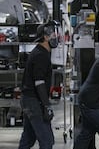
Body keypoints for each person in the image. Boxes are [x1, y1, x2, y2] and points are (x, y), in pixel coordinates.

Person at [18, 20, 60, 149]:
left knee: (28, 139)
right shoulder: (41, 55)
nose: (56, 37)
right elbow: (39, 83)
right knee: (47, 141)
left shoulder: (41, 52)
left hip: (29, 99)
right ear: (45, 37)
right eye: (53, 34)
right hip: (33, 101)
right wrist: (47, 105)